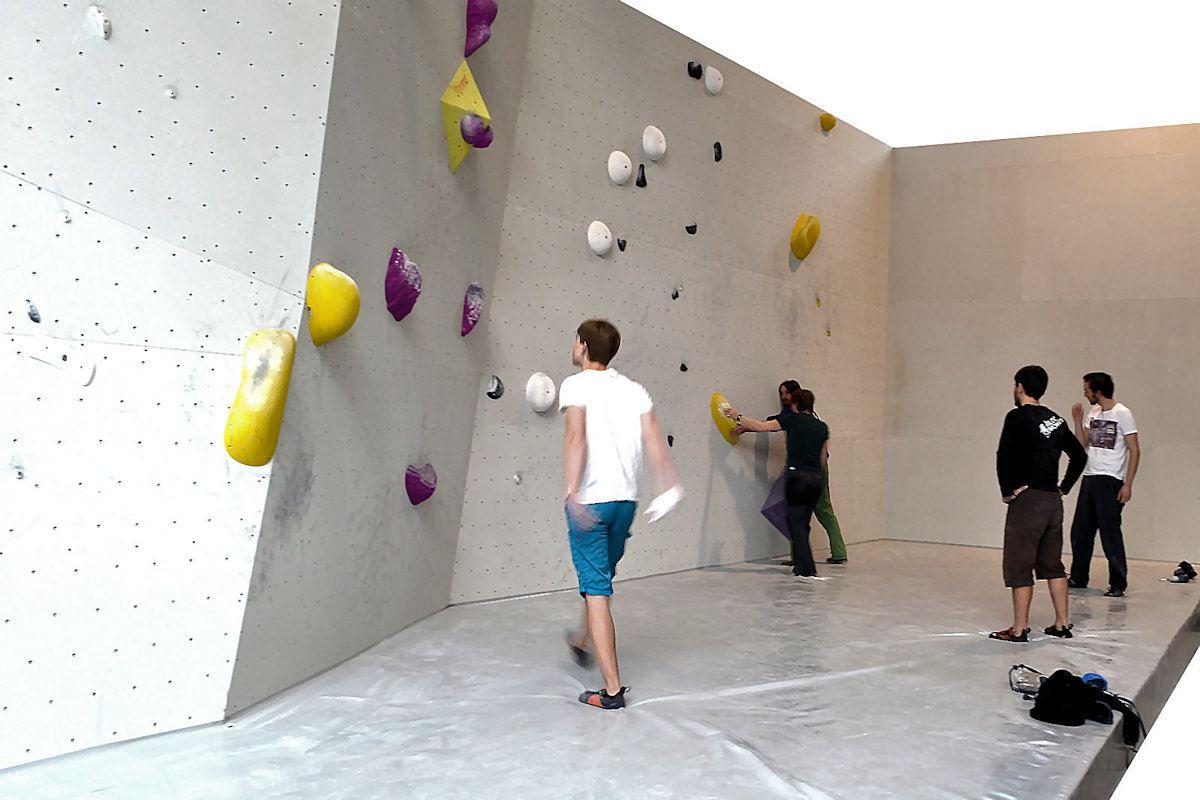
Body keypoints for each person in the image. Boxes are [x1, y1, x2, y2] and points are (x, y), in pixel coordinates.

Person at [560, 319, 683, 710]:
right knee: (600, 578)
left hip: (593, 502)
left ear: (582, 345)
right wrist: (670, 486)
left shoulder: (576, 385)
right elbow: (653, 440)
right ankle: (582, 640)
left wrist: (571, 492)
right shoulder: (635, 390)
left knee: (597, 591)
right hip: (625, 504)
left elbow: (576, 438)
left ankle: (611, 691)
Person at [991, 365, 1087, 643]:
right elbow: (1079, 456)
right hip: (1052, 502)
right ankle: (1061, 623)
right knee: (1053, 564)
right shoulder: (1055, 420)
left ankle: (1019, 629)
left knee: (1020, 565)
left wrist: (1007, 491)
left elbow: (1003, 456)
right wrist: (1063, 488)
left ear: (1020, 387)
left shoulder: (1016, 417)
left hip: (1028, 501)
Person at [723, 387, 829, 577]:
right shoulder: (822, 426)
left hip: (797, 478)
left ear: (795, 404)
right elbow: (823, 457)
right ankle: (801, 566)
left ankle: (807, 570)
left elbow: (761, 426)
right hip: (816, 480)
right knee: (802, 523)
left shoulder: (792, 419)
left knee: (796, 524)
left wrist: (737, 416)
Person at [756, 380, 848, 565]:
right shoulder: (812, 418)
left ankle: (801, 555)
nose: (783, 397)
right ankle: (836, 552)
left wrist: (742, 424)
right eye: (780, 393)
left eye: (786, 393)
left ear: (795, 397)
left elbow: (768, 424)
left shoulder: (793, 415)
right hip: (816, 468)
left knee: (799, 512)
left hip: (807, 469)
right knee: (818, 510)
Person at [1068, 372, 1140, 597]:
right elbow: (1082, 444)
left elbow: (1134, 450)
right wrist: (1078, 421)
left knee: (1110, 533)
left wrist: (1127, 484)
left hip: (1110, 479)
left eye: (1087, 390)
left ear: (1097, 391)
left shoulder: (1123, 414)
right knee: (1080, 531)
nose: (1085, 394)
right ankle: (1079, 576)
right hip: (1090, 476)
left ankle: (1118, 583)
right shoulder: (1094, 412)